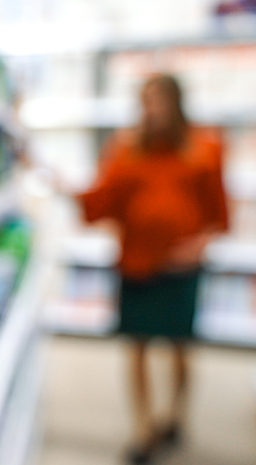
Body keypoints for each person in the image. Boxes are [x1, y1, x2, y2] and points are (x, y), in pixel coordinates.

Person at [76, 74, 228, 464]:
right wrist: (65, 187)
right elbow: (101, 201)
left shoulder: (205, 147)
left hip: (181, 267)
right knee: (137, 346)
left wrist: (197, 247)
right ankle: (143, 427)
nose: (152, 109)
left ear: (177, 103)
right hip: (136, 263)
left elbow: (219, 212)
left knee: (181, 346)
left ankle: (175, 415)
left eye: (159, 100)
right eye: (146, 101)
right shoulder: (125, 148)